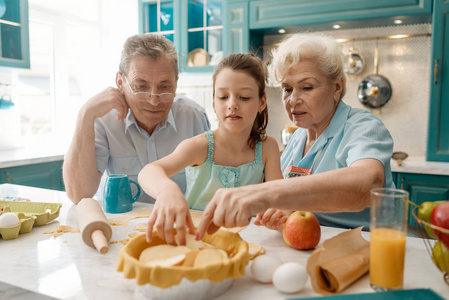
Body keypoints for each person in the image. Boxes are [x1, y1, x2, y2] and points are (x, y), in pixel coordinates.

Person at [197, 33, 394, 239]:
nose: (293, 100)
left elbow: (369, 183)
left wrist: (264, 194)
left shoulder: (362, 126)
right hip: (309, 245)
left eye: (307, 87)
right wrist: (283, 212)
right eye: (287, 89)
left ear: (337, 87)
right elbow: (296, 201)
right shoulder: (298, 137)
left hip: (365, 248)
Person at [138, 53, 283, 245]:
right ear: (214, 102)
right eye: (223, 97)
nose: (232, 104)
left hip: (247, 242)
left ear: (261, 102)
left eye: (244, 97)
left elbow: (281, 195)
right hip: (196, 240)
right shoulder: (200, 146)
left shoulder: (267, 148)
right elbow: (149, 171)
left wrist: (279, 213)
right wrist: (166, 190)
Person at [63, 33, 210, 204]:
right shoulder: (103, 120)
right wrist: (84, 115)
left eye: (164, 87)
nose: (154, 100)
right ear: (120, 82)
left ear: (176, 83)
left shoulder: (193, 116)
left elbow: (211, 189)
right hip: (119, 226)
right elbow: (78, 195)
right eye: (141, 86)